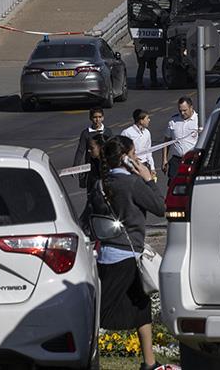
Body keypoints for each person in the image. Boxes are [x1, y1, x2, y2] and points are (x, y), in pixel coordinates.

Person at [89, 137, 166, 370]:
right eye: (133, 154)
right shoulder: (132, 183)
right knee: (100, 314)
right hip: (126, 256)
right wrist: (149, 180)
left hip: (108, 253)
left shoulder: (100, 184)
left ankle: (149, 363)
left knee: (141, 306)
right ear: (125, 158)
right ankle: (87, 359)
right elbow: (160, 208)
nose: (137, 158)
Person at [163, 97, 199, 182]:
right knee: (173, 184)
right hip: (176, 161)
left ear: (191, 107)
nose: (182, 113)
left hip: (192, 160)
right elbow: (167, 141)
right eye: (180, 111)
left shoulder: (199, 120)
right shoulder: (173, 121)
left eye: (185, 110)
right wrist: (164, 159)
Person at [73, 107, 109, 186]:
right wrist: (75, 166)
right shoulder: (86, 133)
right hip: (91, 166)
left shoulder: (108, 131)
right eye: (95, 117)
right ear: (90, 118)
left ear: (103, 118)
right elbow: (80, 150)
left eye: (99, 117)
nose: (97, 120)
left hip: (105, 166)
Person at [121, 109, 156, 174]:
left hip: (145, 165)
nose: (149, 120)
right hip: (132, 165)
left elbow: (149, 151)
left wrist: (152, 167)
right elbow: (122, 151)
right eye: (147, 118)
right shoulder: (127, 133)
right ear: (141, 121)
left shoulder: (147, 133)